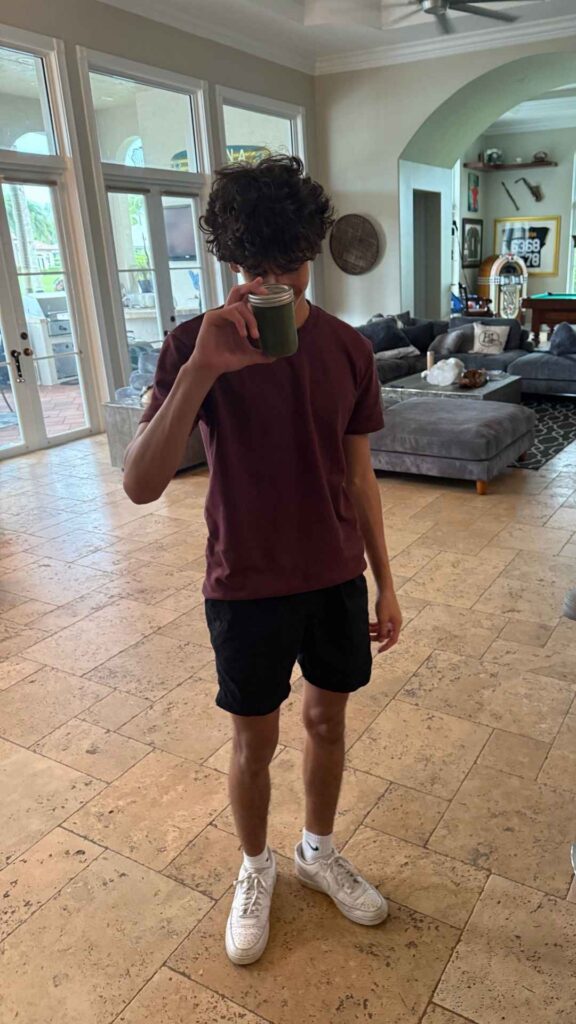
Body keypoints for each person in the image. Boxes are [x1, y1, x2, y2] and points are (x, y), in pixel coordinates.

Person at [123, 156, 402, 966]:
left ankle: (316, 850)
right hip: (242, 583)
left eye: (286, 265)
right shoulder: (190, 344)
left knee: (327, 720)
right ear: (232, 264)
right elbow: (142, 484)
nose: (271, 282)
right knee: (255, 740)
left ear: (311, 251)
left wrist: (387, 583)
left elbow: (360, 478)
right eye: (254, 269)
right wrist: (204, 368)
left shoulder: (349, 351)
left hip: (332, 578)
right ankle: (256, 867)